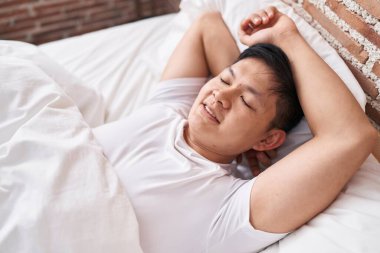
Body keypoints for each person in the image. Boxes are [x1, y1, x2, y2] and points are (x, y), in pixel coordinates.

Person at [93, 7, 376, 253]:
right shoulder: (172, 107)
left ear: (269, 139)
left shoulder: (227, 209)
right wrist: (244, 136)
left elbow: (351, 136)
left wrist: (286, 37)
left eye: (245, 101)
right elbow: (208, 24)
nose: (220, 96)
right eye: (225, 79)